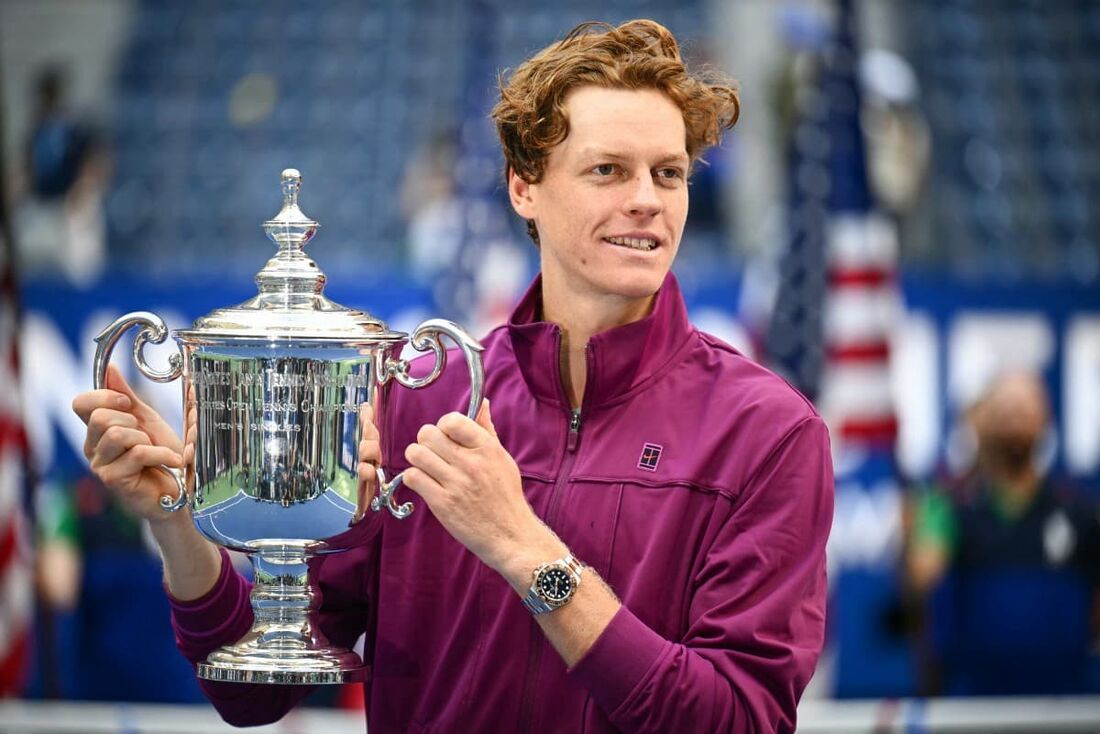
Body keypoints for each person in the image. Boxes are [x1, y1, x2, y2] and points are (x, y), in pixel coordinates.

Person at [72, 20, 833, 732]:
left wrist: (526, 550)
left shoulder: (767, 432)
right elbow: (260, 692)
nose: (646, 199)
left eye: (669, 173)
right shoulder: (419, 399)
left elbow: (740, 719)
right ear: (523, 187)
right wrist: (174, 519)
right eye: (608, 169)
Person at [907, 370, 1100, 695]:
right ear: (983, 423)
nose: (1015, 421)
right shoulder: (949, 510)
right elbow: (923, 574)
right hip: (974, 706)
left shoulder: (1079, 514)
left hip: (1065, 704)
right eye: (1005, 411)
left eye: (1025, 410)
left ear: (1045, 420)